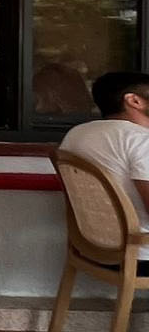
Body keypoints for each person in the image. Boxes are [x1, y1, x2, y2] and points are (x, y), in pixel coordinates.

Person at [59, 71, 149, 230]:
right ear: (134, 100)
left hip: (93, 244)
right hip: (140, 245)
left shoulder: (76, 134)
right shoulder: (140, 140)